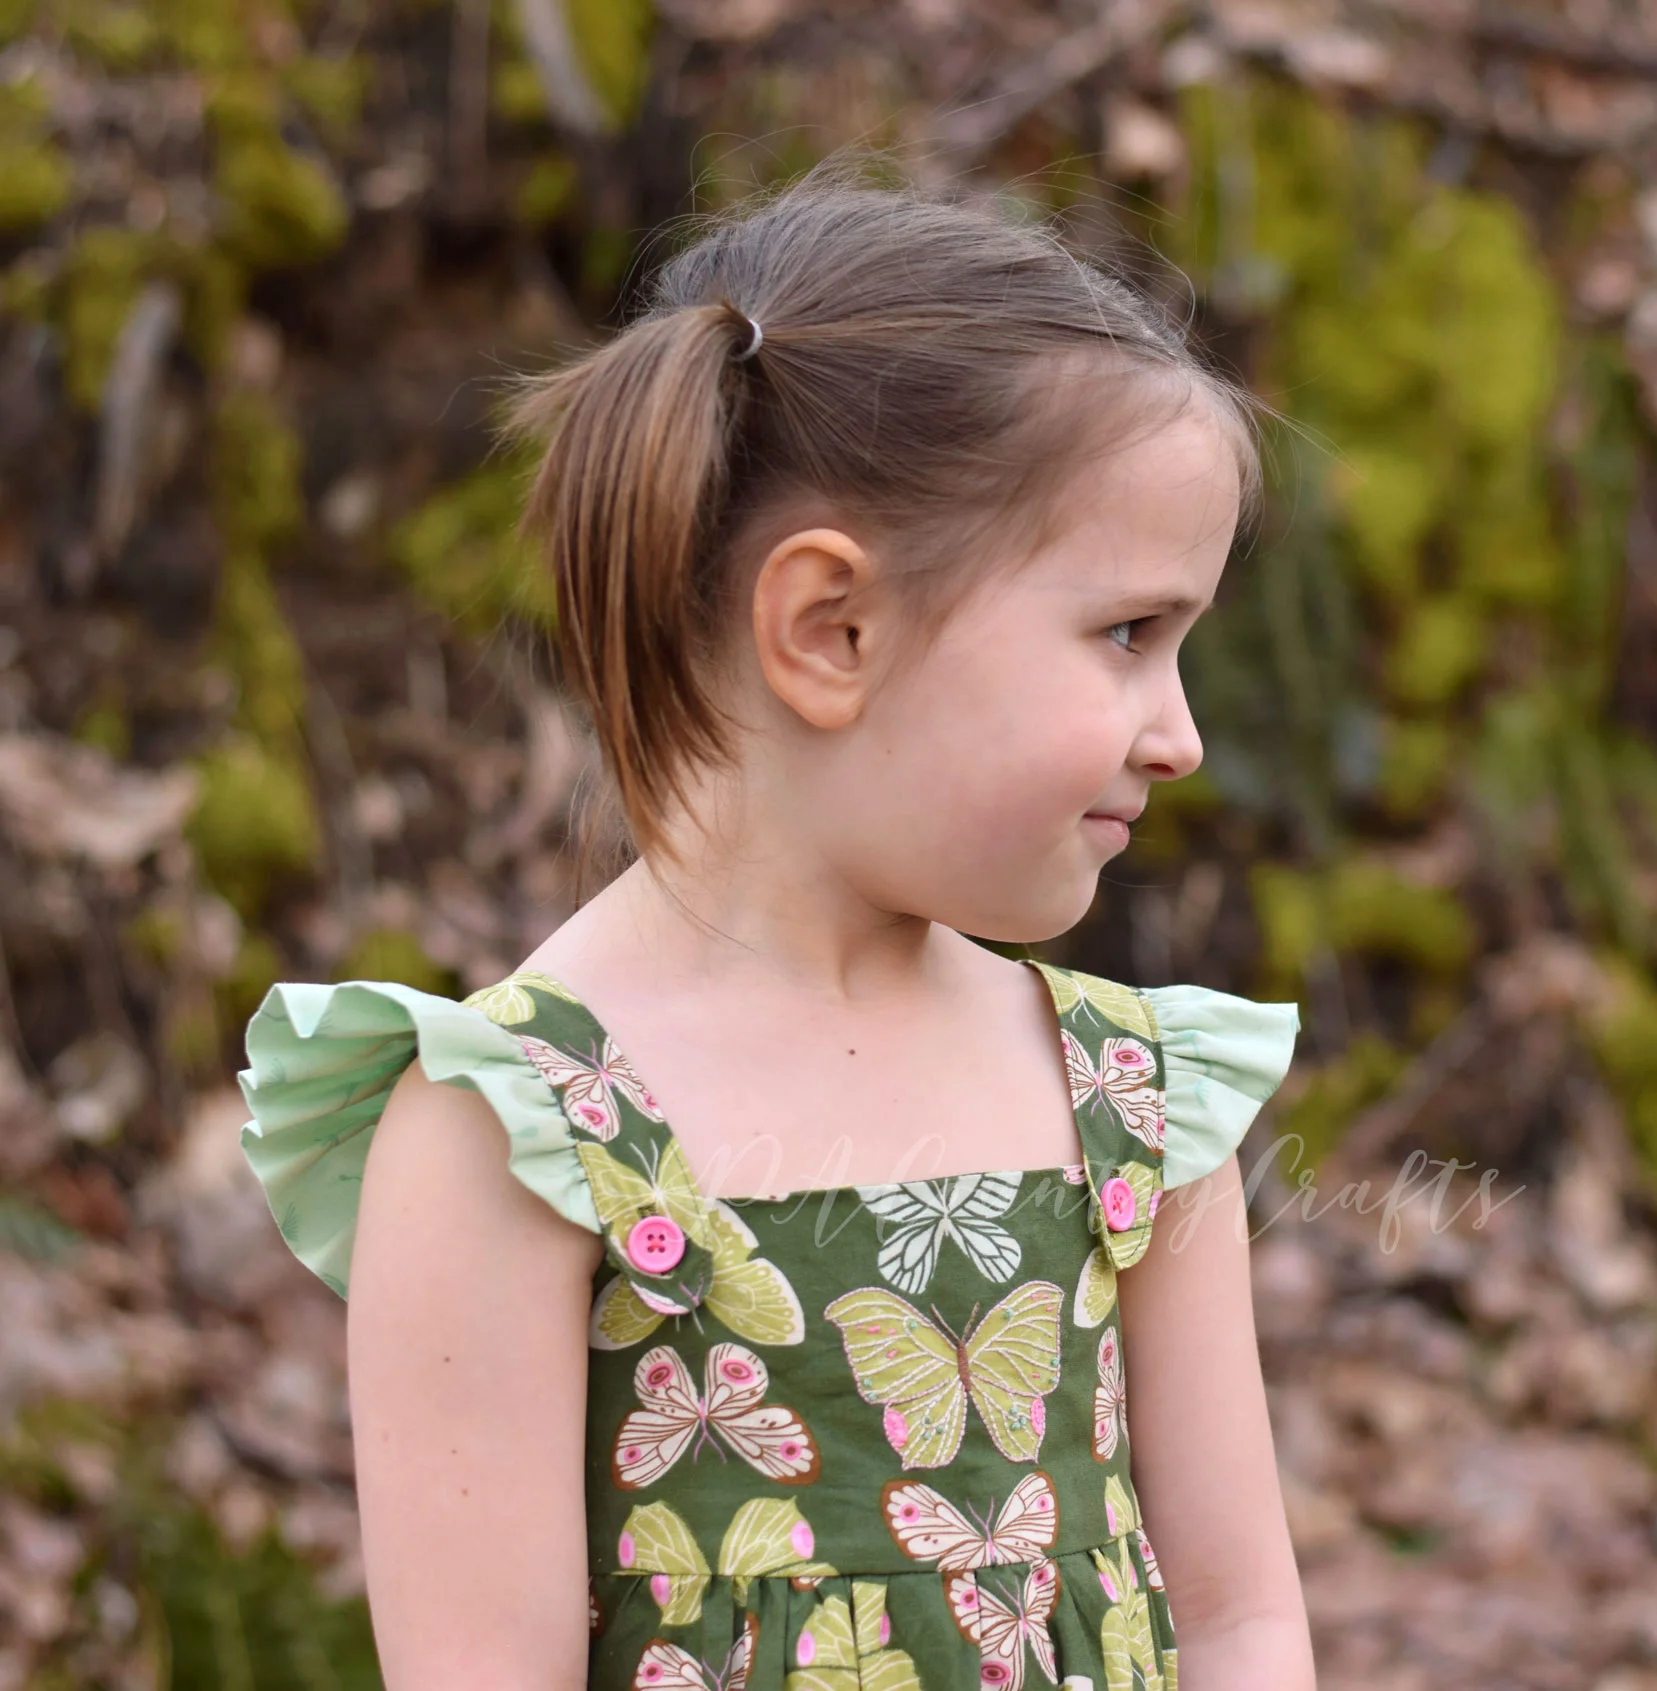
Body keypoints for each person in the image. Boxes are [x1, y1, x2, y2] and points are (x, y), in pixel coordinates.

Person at [238, 158, 1312, 1691]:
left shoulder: (1133, 1105)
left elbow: (1241, 1619)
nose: (1181, 733)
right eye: (1128, 635)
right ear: (834, 629)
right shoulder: (522, 1131)